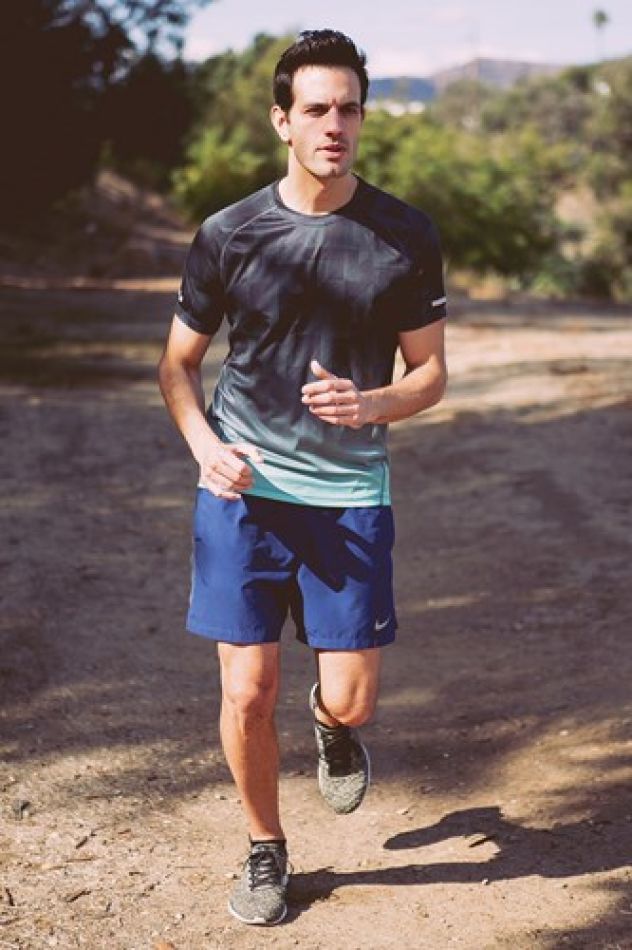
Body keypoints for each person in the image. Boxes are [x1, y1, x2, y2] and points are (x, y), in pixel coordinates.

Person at [158, 29, 447, 927]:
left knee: (352, 699)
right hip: (242, 492)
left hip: (349, 497)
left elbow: (431, 375)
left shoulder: (404, 234)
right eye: (316, 109)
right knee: (246, 690)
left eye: (349, 109)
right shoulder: (230, 233)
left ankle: (333, 730)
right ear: (282, 120)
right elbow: (177, 366)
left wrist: (372, 404)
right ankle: (265, 848)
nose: (335, 125)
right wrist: (204, 446)